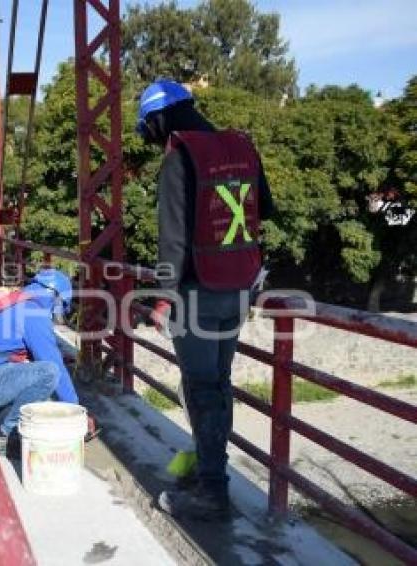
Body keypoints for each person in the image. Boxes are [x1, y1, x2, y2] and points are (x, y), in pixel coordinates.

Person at [135, 79, 276, 519]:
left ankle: (212, 491)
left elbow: (172, 242)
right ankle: (210, 470)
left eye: (148, 127)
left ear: (159, 118)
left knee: (201, 389)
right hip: (238, 289)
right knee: (218, 383)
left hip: (195, 295)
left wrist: (161, 299)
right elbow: (264, 208)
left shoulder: (181, 157)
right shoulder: (241, 146)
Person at [0, 269, 80, 455]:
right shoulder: (34, 315)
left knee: (33, 375)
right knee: (49, 373)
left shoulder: (20, 301)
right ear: (56, 299)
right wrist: (76, 409)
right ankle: (5, 435)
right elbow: (53, 364)